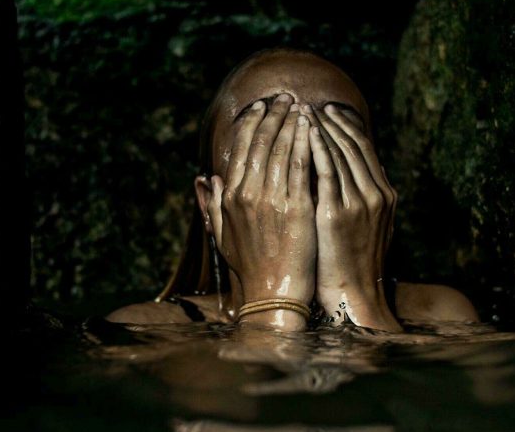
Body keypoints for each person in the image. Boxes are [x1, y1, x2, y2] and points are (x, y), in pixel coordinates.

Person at [107, 48, 478, 331]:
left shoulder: (442, 313)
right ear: (208, 203)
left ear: (380, 192)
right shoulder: (145, 333)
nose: (305, 159)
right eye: (268, 142)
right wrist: (273, 304)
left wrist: (357, 300)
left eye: (336, 136)